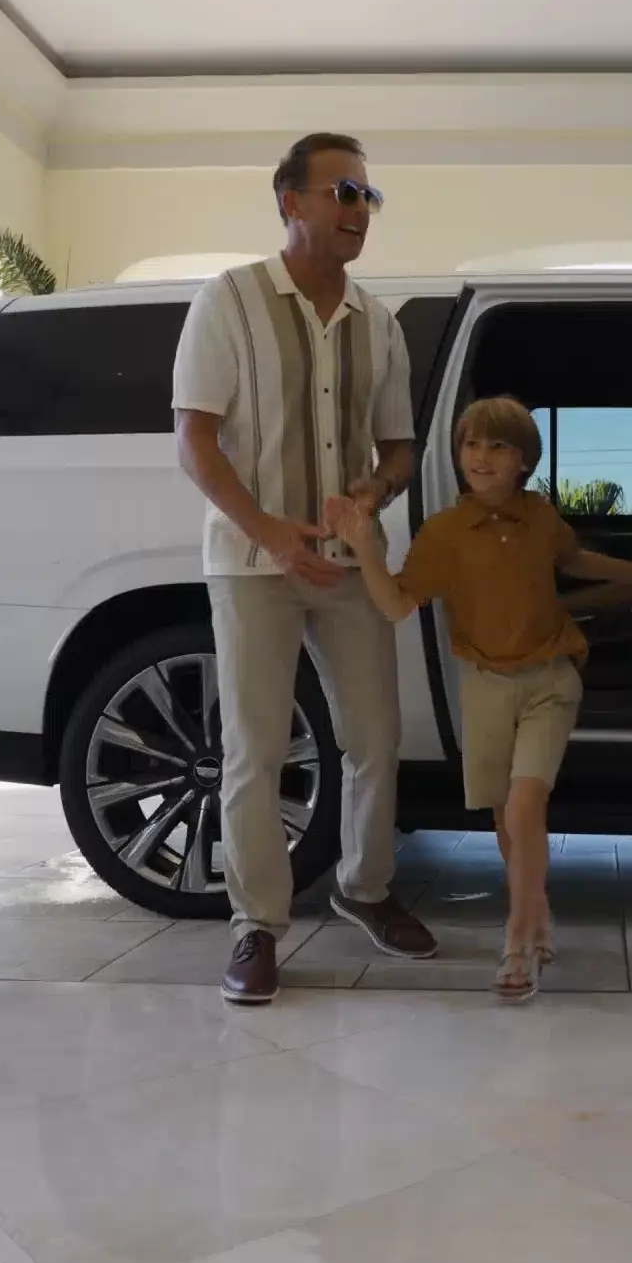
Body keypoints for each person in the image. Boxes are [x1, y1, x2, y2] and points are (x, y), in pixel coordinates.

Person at [171, 131, 437, 1006]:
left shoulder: (380, 323)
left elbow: (400, 447)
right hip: (253, 566)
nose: (359, 208)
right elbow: (196, 442)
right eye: (343, 192)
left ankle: (366, 889)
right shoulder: (230, 300)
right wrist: (270, 532)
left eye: (368, 196)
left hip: (351, 565)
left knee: (375, 739)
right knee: (253, 748)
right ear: (290, 201)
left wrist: (374, 491)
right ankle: (257, 928)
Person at [328, 396, 632, 1002]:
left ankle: (518, 932)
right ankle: (535, 916)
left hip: (551, 681)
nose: (481, 457)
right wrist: (363, 545)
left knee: (524, 804)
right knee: (504, 819)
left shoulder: (541, 519)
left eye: (498, 446)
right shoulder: (444, 532)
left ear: (524, 461)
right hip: (484, 685)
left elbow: (578, 561)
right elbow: (396, 604)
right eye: (471, 445)